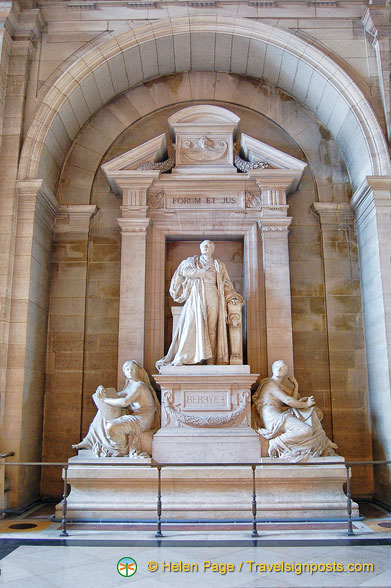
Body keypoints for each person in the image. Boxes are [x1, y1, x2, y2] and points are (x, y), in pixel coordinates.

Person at [156, 240, 244, 371]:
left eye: (209, 245)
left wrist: (232, 297)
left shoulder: (219, 264)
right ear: (200, 248)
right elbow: (184, 271)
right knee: (191, 324)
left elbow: (225, 284)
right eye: (204, 245)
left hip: (213, 295)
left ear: (213, 249)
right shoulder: (193, 261)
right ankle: (186, 357)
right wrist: (201, 272)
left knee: (212, 327)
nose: (206, 247)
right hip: (196, 297)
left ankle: (210, 359)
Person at [252, 360, 337, 462]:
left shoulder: (278, 385)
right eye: (277, 367)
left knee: (311, 411)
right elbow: (288, 401)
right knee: (306, 430)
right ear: (272, 369)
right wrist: (305, 404)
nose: (279, 369)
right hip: (273, 418)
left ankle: (322, 443)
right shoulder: (270, 384)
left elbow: (292, 401)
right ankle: (275, 443)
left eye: (282, 368)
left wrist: (295, 387)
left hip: (278, 415)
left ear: (285, 372)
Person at [72, 360, 160, 457]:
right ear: (124, 372)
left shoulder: (139, 385)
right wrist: (102, 390)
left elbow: (124, 402)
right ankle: (89, 440)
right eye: (127, 369)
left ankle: (121, 450)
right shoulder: (130, 386)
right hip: (135, 415)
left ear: (137, 371)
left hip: (142, 420)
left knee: (112, 428)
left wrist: (105, 399)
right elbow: (116, 396)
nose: (130, 371)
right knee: (102, 412)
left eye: (132, 369)